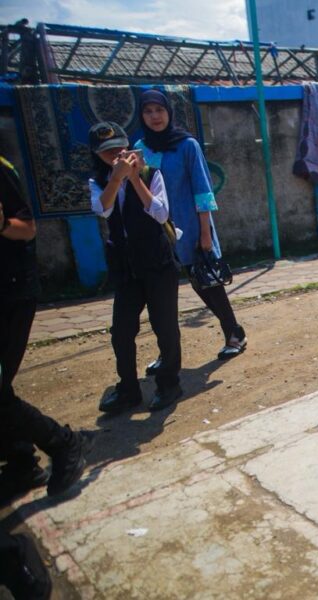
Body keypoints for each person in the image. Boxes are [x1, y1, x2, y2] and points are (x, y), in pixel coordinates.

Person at [135, 90, 247, 368]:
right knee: (160, 295)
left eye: (159, 110)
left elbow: (202, 189)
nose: (155, 117)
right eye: (148, 112)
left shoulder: (187, 145)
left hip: (190, 226)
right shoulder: (140, 148)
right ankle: (167, 353)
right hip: (155, 232)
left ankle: (234, 332)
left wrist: (205, 233)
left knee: (206, 284)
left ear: (169, 112)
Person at [1, 155, 90, 503]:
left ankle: (63, 443)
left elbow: (26, 227)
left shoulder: (2, 171)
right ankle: (22, 462)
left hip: (9, 292)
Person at [89, 122, 183, 412]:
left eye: (120, 148)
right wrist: (116, 179)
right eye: (108, 152)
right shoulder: (98, 181)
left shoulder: (151, 174)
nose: (116, 155)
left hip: (157, 261)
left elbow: (160, 212)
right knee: (122, 330)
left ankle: (169, 383)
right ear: (97, 154)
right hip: (126, 266)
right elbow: (102, 209)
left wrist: (133, 179)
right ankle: (128, 389)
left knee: (164, 325)